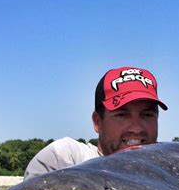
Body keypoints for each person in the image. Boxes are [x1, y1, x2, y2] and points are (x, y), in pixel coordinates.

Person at [24, 66, 168, 179]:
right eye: (122, 115)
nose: (137, 128)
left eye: (147, 114)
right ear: (97, 122)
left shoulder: (173, 170)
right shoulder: (63, 159)